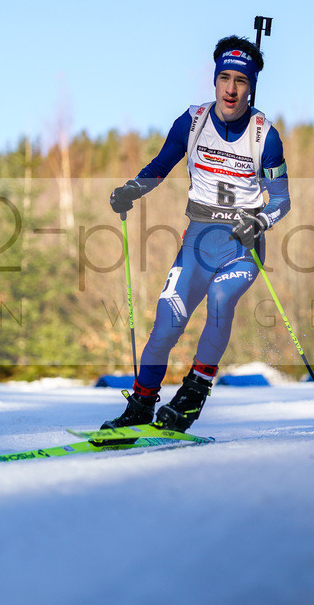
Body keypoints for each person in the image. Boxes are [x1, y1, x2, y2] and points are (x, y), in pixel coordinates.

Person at [103, 35, 290, 432]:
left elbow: (281, 201)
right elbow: (160, 164)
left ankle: (192, 395)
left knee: (221, 301)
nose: (231, 89)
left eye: (241, 81)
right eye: (225, 78)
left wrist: (259, 221)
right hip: (198, 242)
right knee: (166, 323)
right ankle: (141, 403)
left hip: (242, 245)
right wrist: (131, 190)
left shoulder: (263, 135)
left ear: (251, 85)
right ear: (215, 80)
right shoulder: (192, 121)